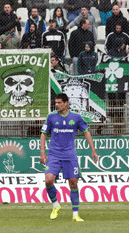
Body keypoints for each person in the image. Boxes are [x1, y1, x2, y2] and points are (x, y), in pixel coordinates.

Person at [40, 93, 98, 222]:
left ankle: (75, 215)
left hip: (69, 154)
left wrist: (93, 150)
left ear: (66, 103)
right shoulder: (51, 117)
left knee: (73, 183)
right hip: (54, 154)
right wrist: (42, 152)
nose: (57, 105)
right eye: (56, 103)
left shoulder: (76, 117)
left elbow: (86, 132)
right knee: (48, 180)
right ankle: (55, 205)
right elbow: (43, 134)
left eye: (59, 103)